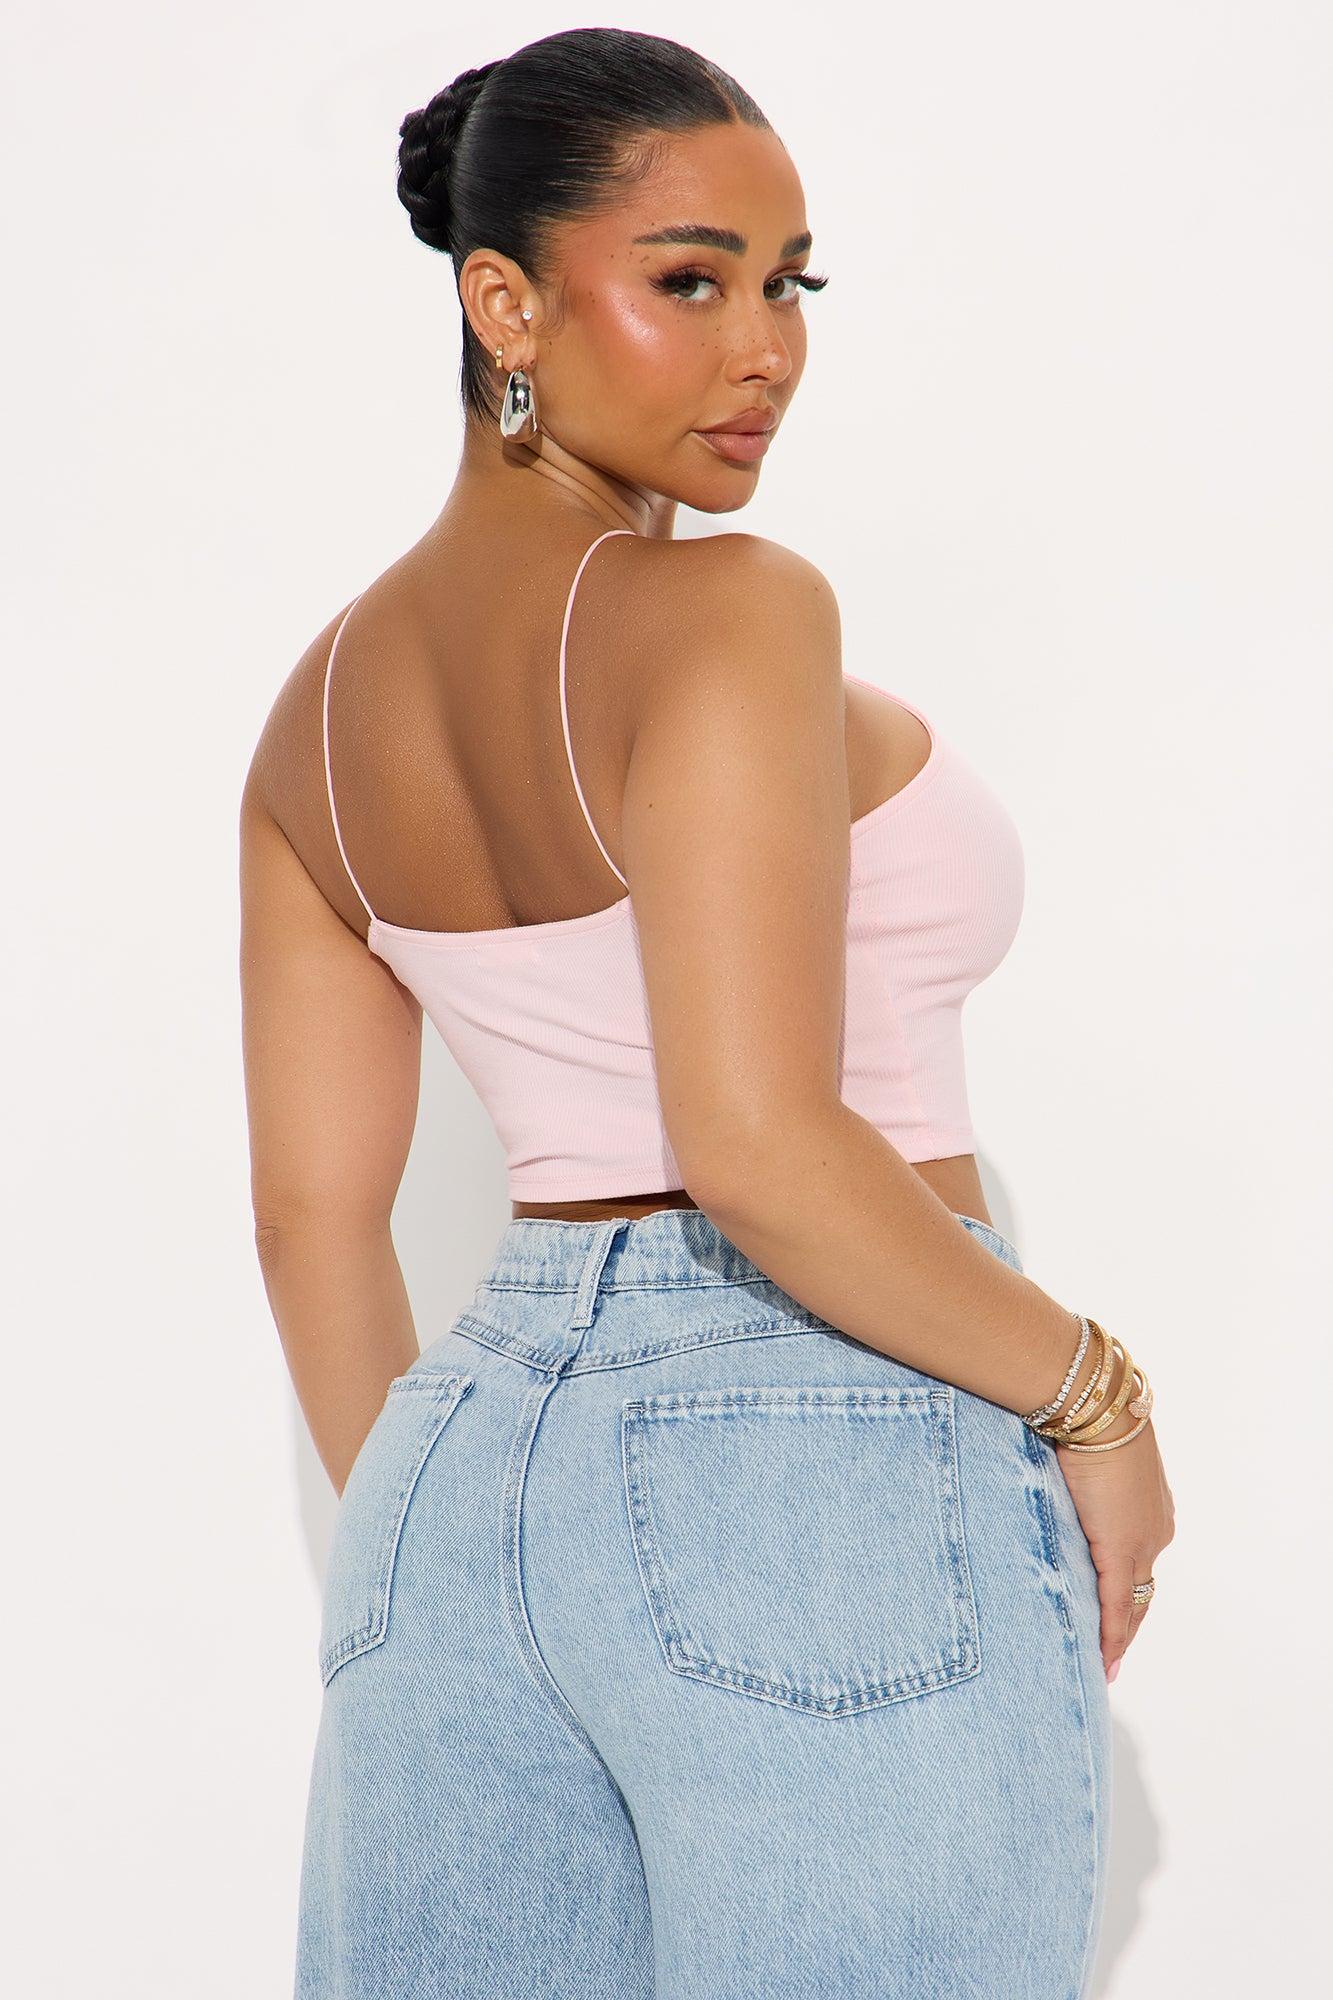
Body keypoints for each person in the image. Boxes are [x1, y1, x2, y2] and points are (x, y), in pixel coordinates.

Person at [239, 26, 1174, 1999]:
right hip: (813, 1419)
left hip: (446, 1477)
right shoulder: (732, 611)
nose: (764, 351)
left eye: (789, 284)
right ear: (503, 302)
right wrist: (1093, 1395)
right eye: (689, 281)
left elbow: (313, 1222)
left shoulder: (314, 717)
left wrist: (449, 1543)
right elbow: (753, 1143)